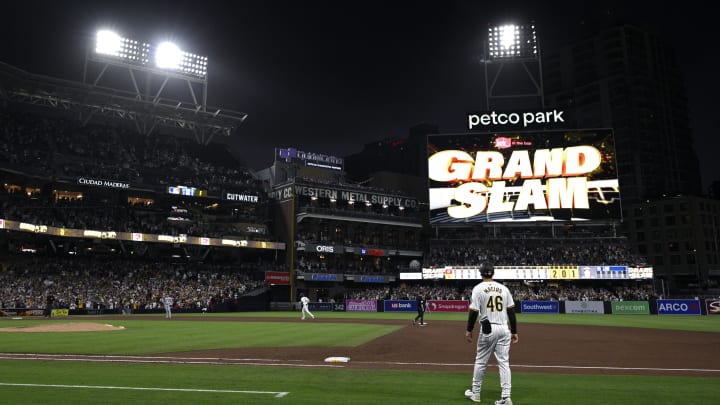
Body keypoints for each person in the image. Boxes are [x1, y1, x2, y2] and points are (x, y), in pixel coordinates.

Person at [464, 262, 518, 404]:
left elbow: (474, 311)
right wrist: (514, 331)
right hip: (504, 328)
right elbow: (511, 312)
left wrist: (469, 330)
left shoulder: (478, 289)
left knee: (481, 361)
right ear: (493, 273)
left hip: (488, 329)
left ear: (481, 273)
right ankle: (506, 397)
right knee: (504, 363)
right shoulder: (503, 288)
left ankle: (476, 393)